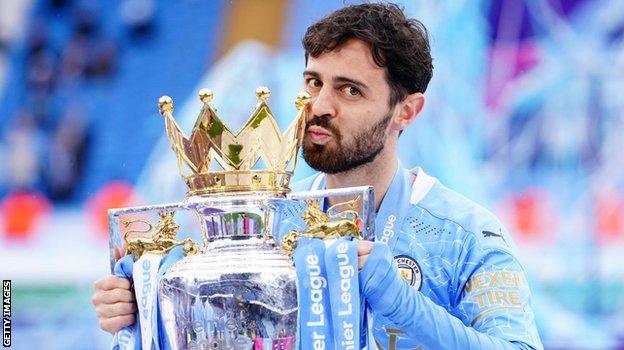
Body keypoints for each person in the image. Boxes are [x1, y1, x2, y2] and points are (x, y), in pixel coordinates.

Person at [93, 3, 543, 349]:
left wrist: (407, 307)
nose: (319, 106)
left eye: (349, 89)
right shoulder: (261, 226)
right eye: (313, 82)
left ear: (406, 111)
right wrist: (148, 315)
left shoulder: (465, 234)